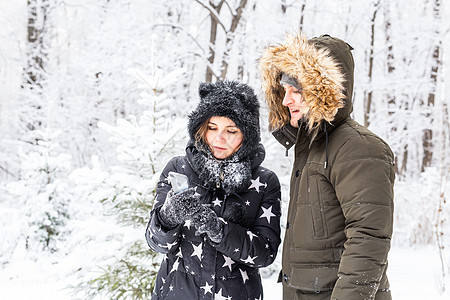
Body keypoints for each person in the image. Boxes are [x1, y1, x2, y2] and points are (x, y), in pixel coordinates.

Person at [259, 32, 395, 300]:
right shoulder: (310, 147)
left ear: (324, 91)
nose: (287, 101)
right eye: (285, 91)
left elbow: (368, 240)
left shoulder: (359, 148)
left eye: (296, 91)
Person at [145, 80, 282, 300]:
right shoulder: (178, 168)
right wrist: (168, 217)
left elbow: (265, 253)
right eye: (212, 127)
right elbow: (156, 243)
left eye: (231, 130)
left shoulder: (264, 182)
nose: (219, 138)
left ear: (246, 135)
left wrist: (220, 231)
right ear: (201, 127)